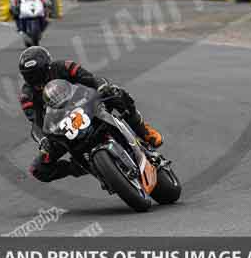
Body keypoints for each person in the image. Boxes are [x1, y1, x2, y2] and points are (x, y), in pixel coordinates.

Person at [17, 46, 163, 182]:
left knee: (117, 94)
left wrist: (102, 86)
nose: (36, 81)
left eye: (39, 75)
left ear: (48, 67)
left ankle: (144, 131)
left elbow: (90, 78)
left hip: (86, 106)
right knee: (37, 169)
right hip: (63, 130)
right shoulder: (26, 96)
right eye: (31, 77)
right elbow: (35, 123)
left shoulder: (63, 67)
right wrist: (43, 140)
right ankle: (78, 167)